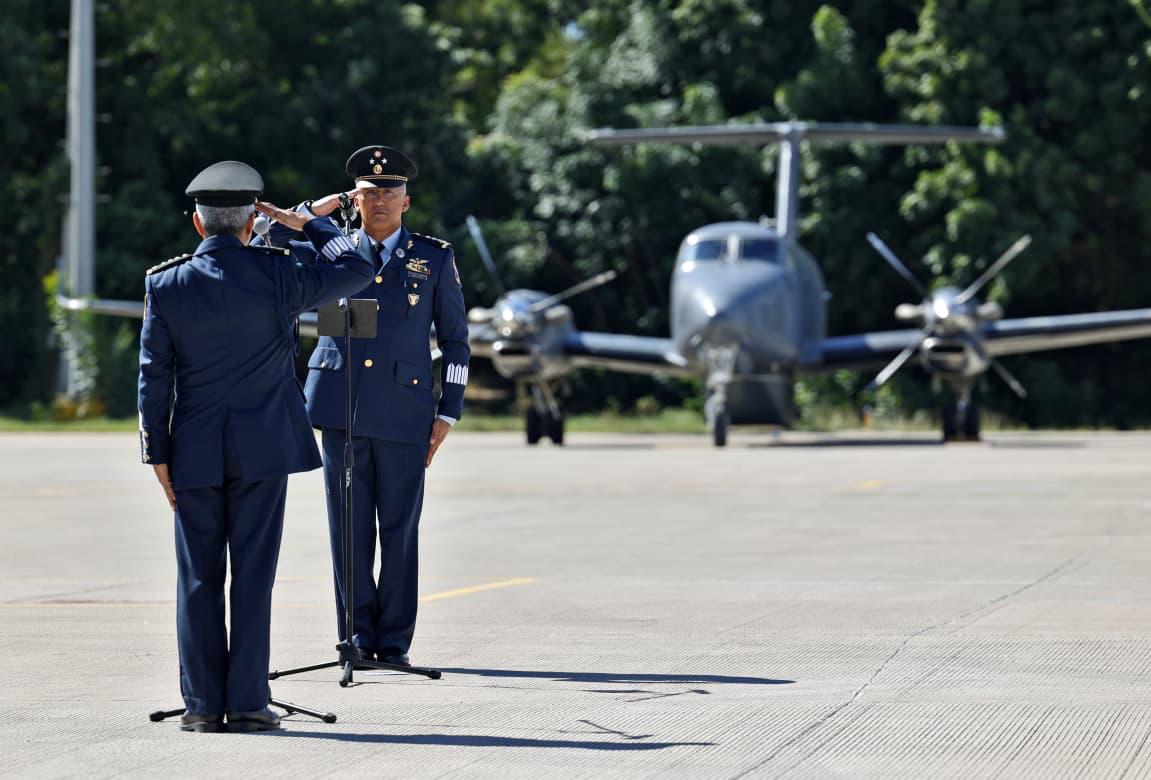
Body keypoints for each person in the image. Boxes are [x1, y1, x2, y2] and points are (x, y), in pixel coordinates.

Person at [137, 160, 374, 732]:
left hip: (192, 450)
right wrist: (305, 222)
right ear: (250, 223)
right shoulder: (277, 273)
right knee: (253, 574)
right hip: (263, 448)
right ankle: (246, 701)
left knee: (198, 578)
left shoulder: (165, 283)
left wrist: (157, 454)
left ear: (198, 223)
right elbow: (357, 267)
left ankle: (200, 706)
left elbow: (153, 378)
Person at [270, 145, 469, 667]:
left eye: (389, 191)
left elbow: (456, 341)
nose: (379, 200)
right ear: (353, 201)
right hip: (341, 406)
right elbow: (273, 241)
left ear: (406, 200)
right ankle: (356, 636)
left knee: (400, 529)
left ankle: (394, 641)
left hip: (405, 409)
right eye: (368, 193)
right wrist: (315, 211)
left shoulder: (435, 257)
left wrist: (448, 410)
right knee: (349, 528)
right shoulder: (328, 250)